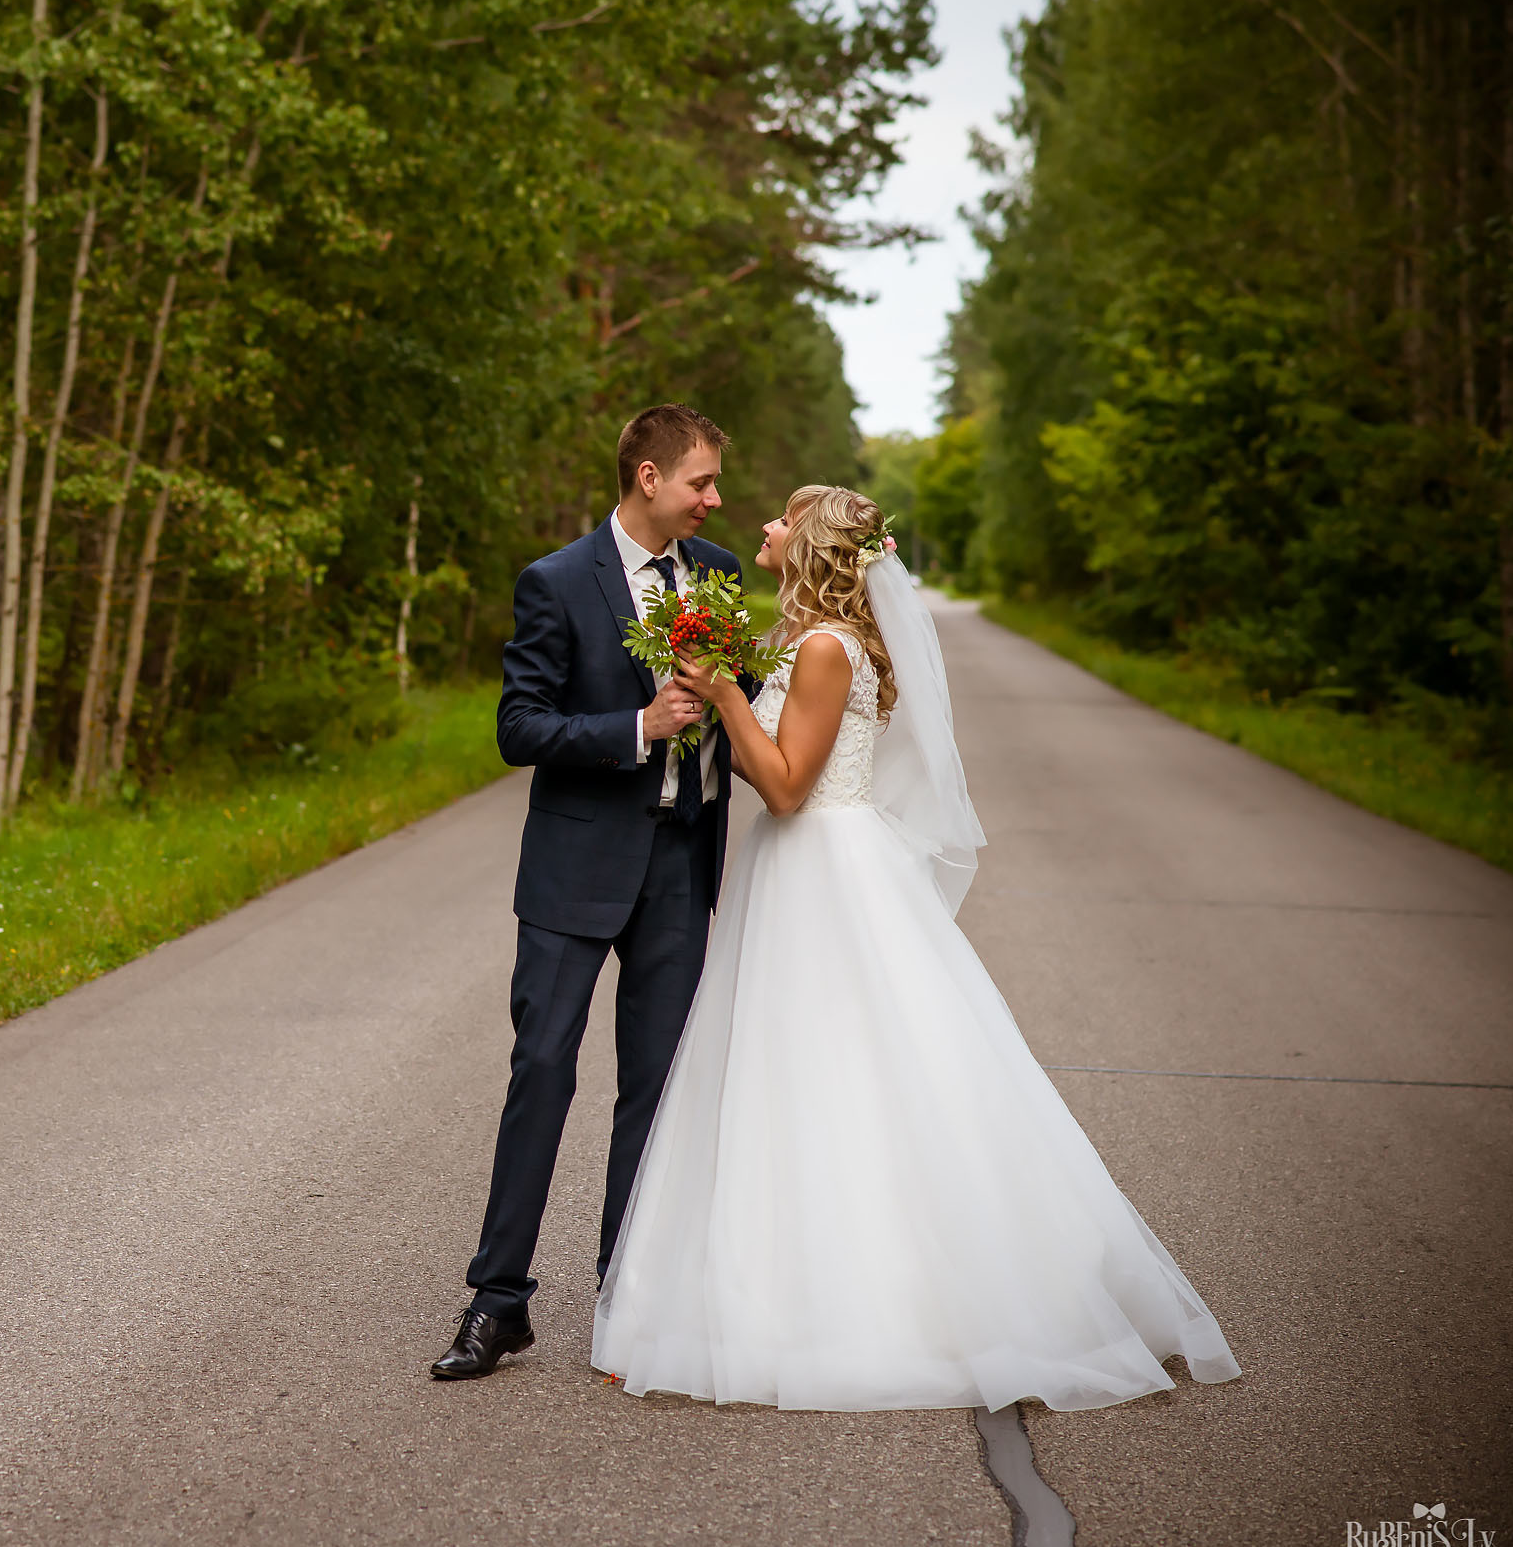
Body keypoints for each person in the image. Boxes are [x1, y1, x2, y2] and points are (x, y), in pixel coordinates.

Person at [591, 484, 1243, 1411]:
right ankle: (760, 1286)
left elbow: (786, 787)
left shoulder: (826, 647)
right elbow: (759, 758)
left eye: (783, 518)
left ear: (811, 543)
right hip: (794, 867)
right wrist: (708, 698)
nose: (765, 527)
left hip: (821, 866)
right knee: (791, 1072)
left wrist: (725, 689)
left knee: (838, 1072)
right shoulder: (804, 638)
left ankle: (868, 1303)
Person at [430, 404, 757, 1381]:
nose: (714, 499)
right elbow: (519, 728)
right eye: (701, 481)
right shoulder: (557, 581)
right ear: (648, 477)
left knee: (655, 1088)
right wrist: (637, 728)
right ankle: (499, 1301)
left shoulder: (720, 574)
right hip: (576, 865)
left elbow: (742, 703)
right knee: (542, 1068)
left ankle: (630, 1298)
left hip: (681, 862)